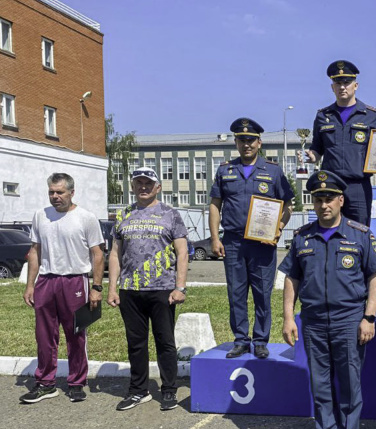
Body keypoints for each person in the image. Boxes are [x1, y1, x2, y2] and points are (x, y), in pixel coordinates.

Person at [280, 170, 376, 429]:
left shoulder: (360, 234)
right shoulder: (303, 237)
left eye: (329, 198)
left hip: (348, 319)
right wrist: (289, 318)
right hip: (313, 320)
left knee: (350, 381)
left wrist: (370, 317)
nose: (323, 204)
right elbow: (292, 279)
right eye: (318, 199)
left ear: (341, 200)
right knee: (321, 382)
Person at [209, 117, 294, 359]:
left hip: (262, 243)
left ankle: (260, 340)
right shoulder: (225, 170)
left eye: (251, 140)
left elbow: (288, 204)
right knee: (236, 292)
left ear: (259, 142)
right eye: (241, 140)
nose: (246, 144)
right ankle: (240, 340)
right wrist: (215, 239)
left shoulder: (273, 171)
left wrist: (277, 229)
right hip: (233, 241)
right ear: (236, 142)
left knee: (262, 293)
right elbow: (215, 205)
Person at [107, 168, 189, 411]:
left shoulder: (170, 214)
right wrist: (112, 288)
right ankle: (138, 390)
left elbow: (182, 252)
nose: (143, 187)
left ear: (158, 187)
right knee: (136, 342)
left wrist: (180, 287)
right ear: (132, 186)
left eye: (148, 183)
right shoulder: (123, 215)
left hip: (163, 288)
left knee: (165, 341)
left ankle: (169, 389)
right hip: (130, 290)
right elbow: (115, 253)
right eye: (138, 183)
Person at [20, 173, 104, 404]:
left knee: (75, 334)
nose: (55, 197)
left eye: (60, 192)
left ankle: (77, 382)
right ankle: (45, 383)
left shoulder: (86, 217)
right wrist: (30, 285)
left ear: (71, 192)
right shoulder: (40, 216)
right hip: (46, 281)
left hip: (75, 281)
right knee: (44, 335)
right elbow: (35, 251)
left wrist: (96, 287)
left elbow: (97, 254)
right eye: (51, 192)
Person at [301, 60, 376, 225]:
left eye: (347, 82)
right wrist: (312, 156)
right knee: (329, 229)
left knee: (359, 230)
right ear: (332, 87)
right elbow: (317, 149)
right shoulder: (323, 116)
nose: (342, 87)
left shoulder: (370, 115)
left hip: (358, 186)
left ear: (356, 85)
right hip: (331, 184)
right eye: (338, 83)